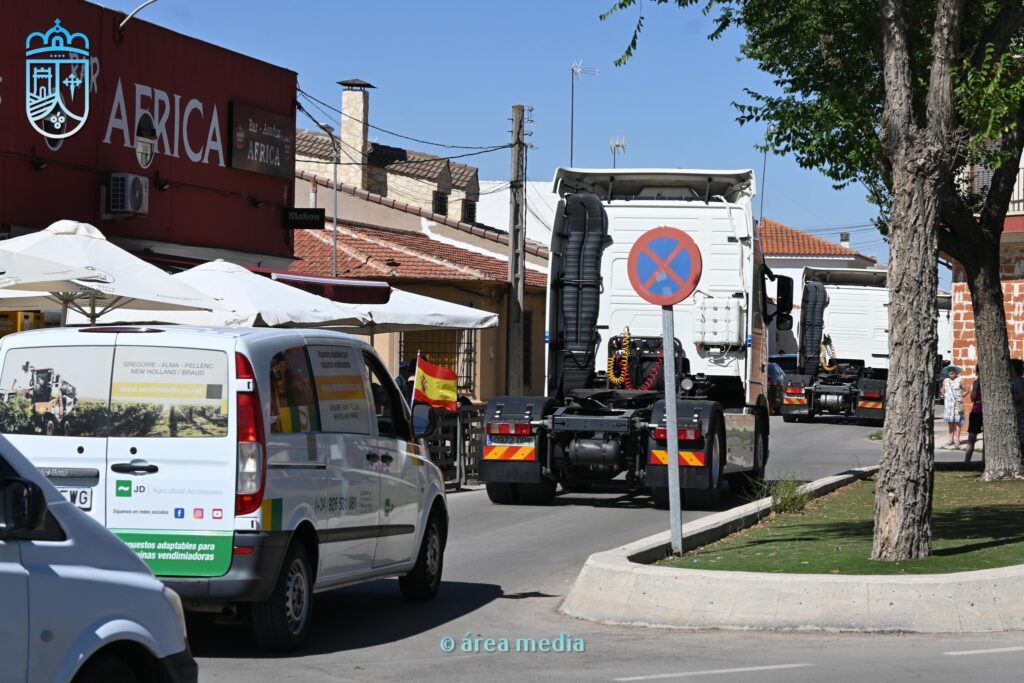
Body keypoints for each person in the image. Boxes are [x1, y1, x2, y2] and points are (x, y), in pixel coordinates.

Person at [940, 365, 964, 448]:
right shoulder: (945, 380)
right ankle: (950, 440)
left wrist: (960, 397)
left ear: (956, 372)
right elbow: (942, 390)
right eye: (950, 370)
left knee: (957, 423)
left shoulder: (960, 380)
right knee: (950, 423)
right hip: (949, 406)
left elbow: (966, 390)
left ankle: (957, 440)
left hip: (957, 405)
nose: (951, 372)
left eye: (953, 370)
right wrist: (946, 396)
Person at [964, 375, 983, 463]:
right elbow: (972, 397)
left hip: (986, 411)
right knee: (971, 437)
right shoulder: (976, 382)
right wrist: (976, 386)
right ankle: (967, 461)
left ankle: (985, 460)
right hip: (976, 411)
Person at [1011, 359, 1024, 448]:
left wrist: (1010, 400)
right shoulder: (1010, 380)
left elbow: (1021, 395)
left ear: (1014, 368)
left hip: (1020, 412)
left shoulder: (1021, 381)